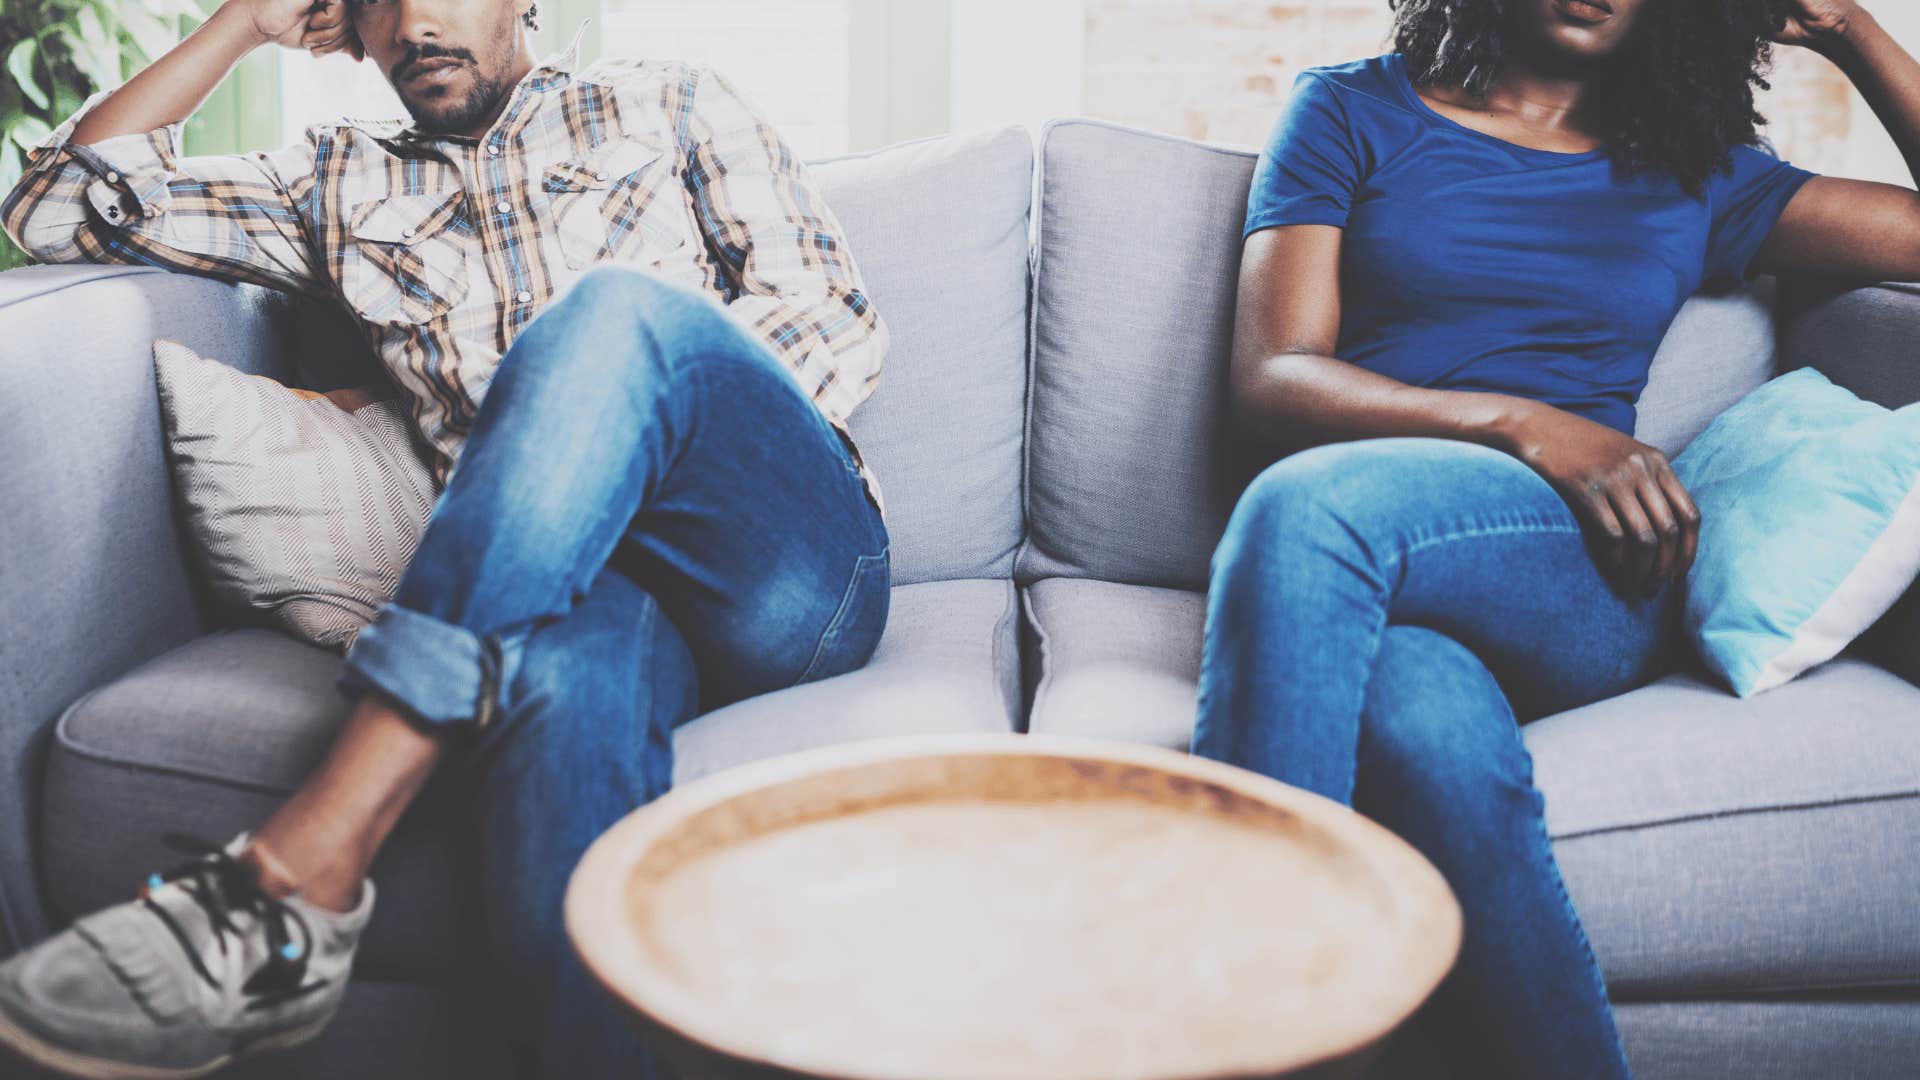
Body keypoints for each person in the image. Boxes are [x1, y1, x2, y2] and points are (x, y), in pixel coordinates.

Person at [0, 0, 891, 1076]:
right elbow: (55, 204)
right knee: (558, 683)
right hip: (553, 602)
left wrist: (595, 439)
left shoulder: (669, 100)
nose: (415, 20)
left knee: (615, 316)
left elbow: (830, 313)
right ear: (346, 30)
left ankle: (304, 865)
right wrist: (239, 24)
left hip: (777, 564)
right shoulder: (331, 183)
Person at [1195, 0, 1920, 1076]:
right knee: (1424, 725)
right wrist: (1527, 424)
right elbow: (1274, 375)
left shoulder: (1697, 170)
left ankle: (1235, 1028)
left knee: (1303, 510)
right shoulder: (1350, 110)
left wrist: (1852, 30)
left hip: (1585, 570)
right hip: (1395, 548)